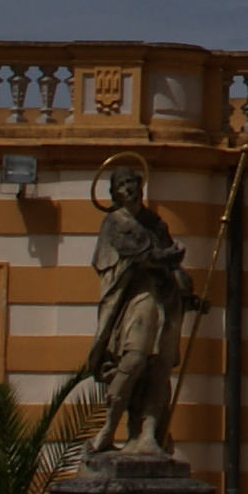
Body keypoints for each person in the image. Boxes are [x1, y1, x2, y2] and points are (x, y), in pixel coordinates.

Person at [79, 162, 195, 455]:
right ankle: (108, 428)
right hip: (136, 299)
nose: (128, 188)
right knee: (134, 359)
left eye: (131, 182)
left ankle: (149, 435)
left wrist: (184, 285)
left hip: (165, 299)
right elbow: (133, 257)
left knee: (160, 368)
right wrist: (164, 257)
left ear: (139, 185)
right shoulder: (115, 223)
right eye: (121, 185)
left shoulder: (154, 223)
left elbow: (170, 261)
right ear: (114, 193)